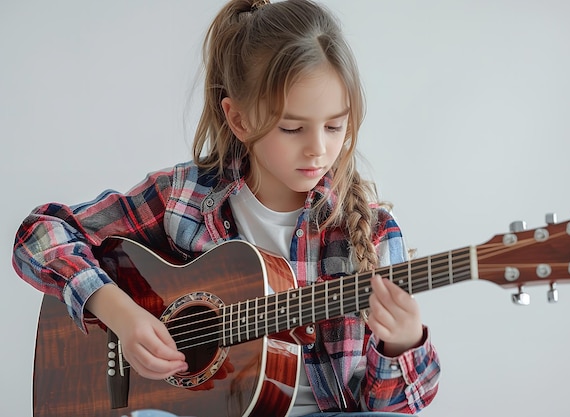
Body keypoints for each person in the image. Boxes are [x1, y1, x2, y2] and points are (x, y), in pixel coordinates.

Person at [12, 0, 440, 416]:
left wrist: (401, 343)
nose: (319, 148)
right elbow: (41, 234)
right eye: (292, 127)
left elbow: (393, 408)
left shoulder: (372, 232)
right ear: (239, 120)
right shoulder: (184, 197)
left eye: (335, 126)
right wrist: (119, 314)